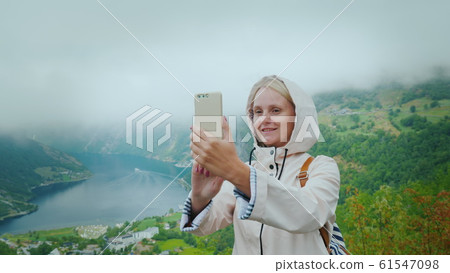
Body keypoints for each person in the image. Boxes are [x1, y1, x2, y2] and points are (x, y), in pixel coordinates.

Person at [180, 75, 340, 254]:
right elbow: (204, 227)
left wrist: (234, 170)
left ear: (298, 117)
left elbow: (309, 215)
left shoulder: (321, 167)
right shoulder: (248, 170)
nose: (264, 119)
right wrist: (200, 197)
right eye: (257, 112)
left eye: (276, 110)